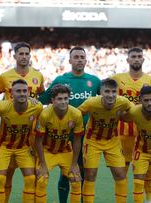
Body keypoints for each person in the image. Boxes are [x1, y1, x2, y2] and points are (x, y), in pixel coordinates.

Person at [39, 46, 101, 203]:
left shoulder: (94, 81)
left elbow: (105, 102)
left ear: (86, 60)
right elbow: (44, 99)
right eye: (76, 57)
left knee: (83, 173)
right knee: (66, 174)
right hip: (63, 137)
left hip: (86, 137)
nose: (79, 60)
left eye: (82, 57)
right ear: (70, 60)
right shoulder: (61, 80)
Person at [0, 42, 45, 202]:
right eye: (20, 54)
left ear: (30, 56)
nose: (23, 57)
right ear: (14, 56)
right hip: (8, 132)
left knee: (32, 177)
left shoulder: (38, 76)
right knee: (4, 176)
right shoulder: (5, 77)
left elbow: (40, 96)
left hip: (31, 135)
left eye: (26, 54)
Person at [111, 47, 151, 203]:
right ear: (128, 59)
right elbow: (108, 102)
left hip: (144, 134)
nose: (136, 59)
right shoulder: (117, 79)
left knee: (148, 170)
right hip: (122, 133)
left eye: (139, 56)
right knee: (122, 172)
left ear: (143, 59)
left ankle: (149, 201)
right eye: (133, 56)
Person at [78, 78, 133, 203]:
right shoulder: (91, 103)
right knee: (90, 175)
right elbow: (77, 114)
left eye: (114, 91)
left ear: (117, 92)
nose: (111, 95)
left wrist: (125, 117)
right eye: (107, 91)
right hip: (92, 141)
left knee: (120, 175)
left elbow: (134, 112)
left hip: (112, 141)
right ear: (101, 92)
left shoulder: (123, 102)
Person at [35, 84, 83, 203]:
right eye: (59, 99)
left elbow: (77, 140)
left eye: (66, 98)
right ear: (52, 100)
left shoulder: (76, 114)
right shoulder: (45, 114)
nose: (63, 102)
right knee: (42, 179)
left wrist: (74, 163)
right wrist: (43, 164)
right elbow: (38, 141)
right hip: (47, 150)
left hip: (65, 150)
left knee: (76, 179)